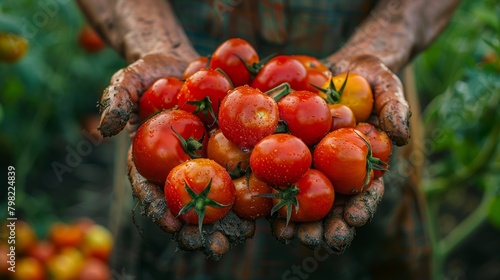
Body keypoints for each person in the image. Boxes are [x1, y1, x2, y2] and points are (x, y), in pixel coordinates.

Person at [77, 0, 461, 279]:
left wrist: (377, 50)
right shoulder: (191, 120)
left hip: (355, 95)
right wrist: (155, 44)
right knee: (163, 251)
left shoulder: (339, 129)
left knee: (370, 252)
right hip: (177, 88)